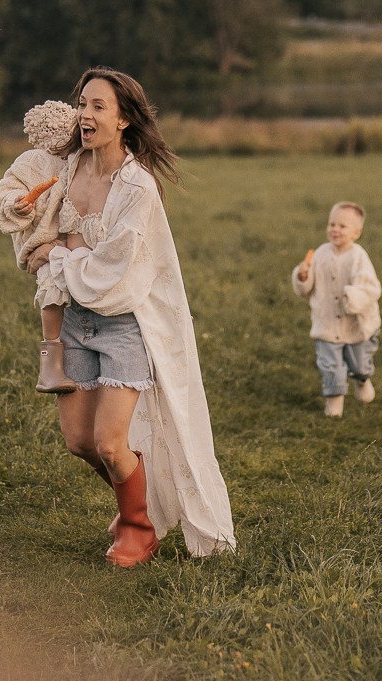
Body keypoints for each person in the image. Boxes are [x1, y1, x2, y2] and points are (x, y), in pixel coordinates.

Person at [20, 68, 236, 566]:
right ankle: (133, 506)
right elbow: (28, 216)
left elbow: (110, 273)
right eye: (82, 104)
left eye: (98, 106)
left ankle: (139, 530)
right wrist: (37, 233)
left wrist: (55, 254)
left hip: (124, 327)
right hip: (75, 322)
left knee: (110, 442)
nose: (85, 115)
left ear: (123, 121)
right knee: (79, 442)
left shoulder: (136, 188)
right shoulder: (68, 168)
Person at [0, 99, 76, 393]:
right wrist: (19, 205)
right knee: (52, 288)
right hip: (43, 240)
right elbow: (7, 190)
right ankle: (50, 365)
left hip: (74, 239)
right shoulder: (31, 162)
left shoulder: (82, 157)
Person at [290, 202, 382, 417]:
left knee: (359, 363)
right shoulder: (321, 253)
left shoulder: (359, 257)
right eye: (332, 224)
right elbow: (307, 288)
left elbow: (370, 288)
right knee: (330, 364)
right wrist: (303, 276)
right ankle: (334, 400)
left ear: (356, 233)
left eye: (342, 226)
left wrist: (352, 297)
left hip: (355, 324)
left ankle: (362, 380)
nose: (335, 229)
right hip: (328, 322)